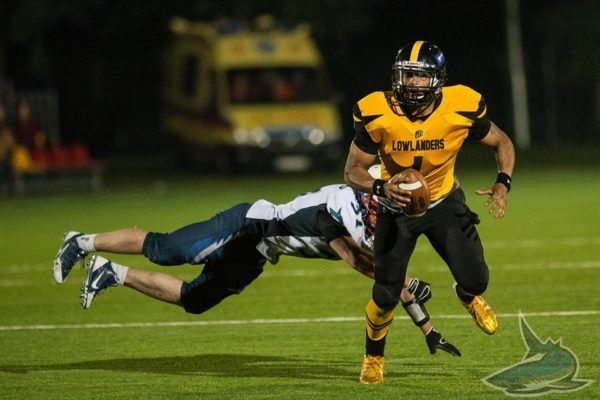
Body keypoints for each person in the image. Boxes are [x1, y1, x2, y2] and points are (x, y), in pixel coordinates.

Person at [53, 182, 460, 357]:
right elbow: (358, 260)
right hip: (249, 224)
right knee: (164, 249)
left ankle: (110, 272)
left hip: (260, 252)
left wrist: (428, 328)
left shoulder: (375, 223)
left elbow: (386, 279)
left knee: (195, 300)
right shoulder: (337, 206)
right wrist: (405, 279)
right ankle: (82, 241)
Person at [343, 40, 515, 384]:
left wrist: (503, 182)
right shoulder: (377, 111)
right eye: (405, 75)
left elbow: (502, 142)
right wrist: (380, 188)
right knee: (386, 293)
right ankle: (373, 358)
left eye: (419, 77)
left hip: (444, 202)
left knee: (477, 279)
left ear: (437, 79)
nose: (410, 83)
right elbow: (352, 171)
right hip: (397, 205)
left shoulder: (462, 104)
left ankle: (467, 297)